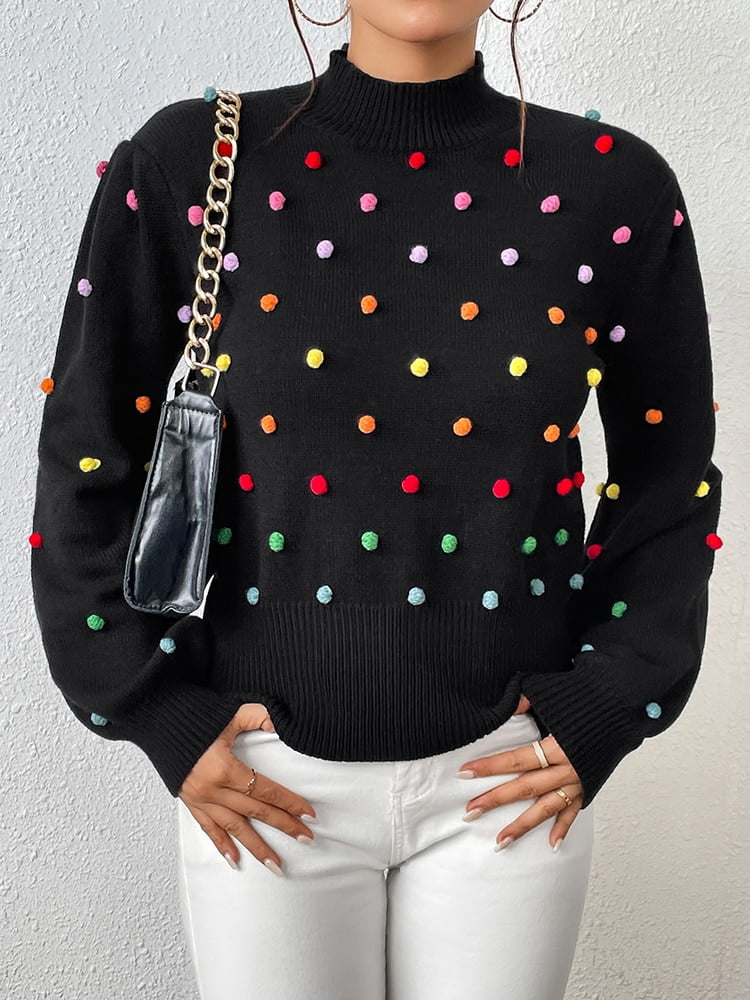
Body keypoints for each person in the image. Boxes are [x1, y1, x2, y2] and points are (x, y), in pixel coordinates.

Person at [29, 1, 723, 998]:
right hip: (262, 782)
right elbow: (86, 452)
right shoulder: (189, 161)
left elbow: (670, 472)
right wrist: (150, 706)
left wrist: (614, 698)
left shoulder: (613, 184)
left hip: (509, 781)